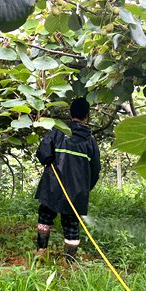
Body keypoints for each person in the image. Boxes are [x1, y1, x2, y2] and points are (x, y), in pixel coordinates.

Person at [34, 98, 101, 262]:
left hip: (52, 186)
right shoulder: (90, 141)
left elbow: (43, 153)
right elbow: (95, 170)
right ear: (87, 116)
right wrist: (84, 189)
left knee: (45, 216)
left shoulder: (58, 132)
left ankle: (41, 252)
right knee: (71, 225)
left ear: (70, 113)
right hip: (76, 192)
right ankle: (69, 263)